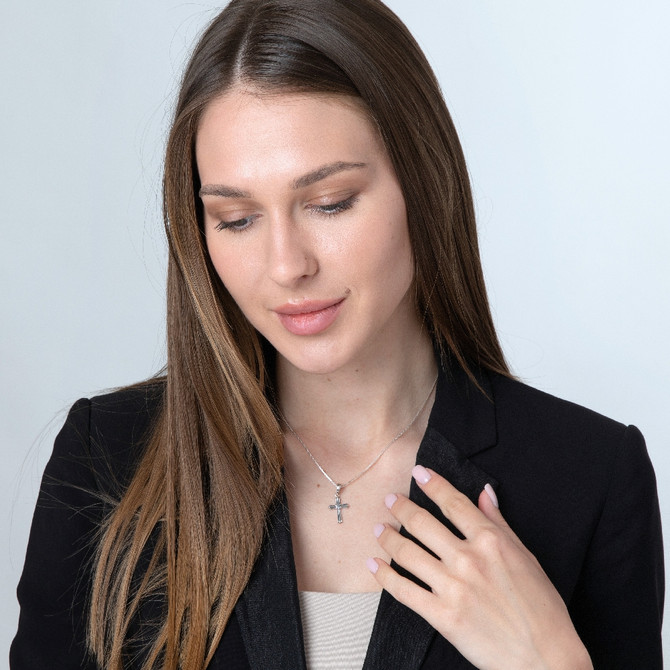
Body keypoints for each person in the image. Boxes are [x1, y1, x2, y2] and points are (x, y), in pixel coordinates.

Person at [10, 0, 663, 668]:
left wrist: (551, 661)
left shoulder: (591, 480)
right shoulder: (107, 459)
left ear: (423, 181)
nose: (287, 265)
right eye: (236, 219)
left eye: (329, 203)